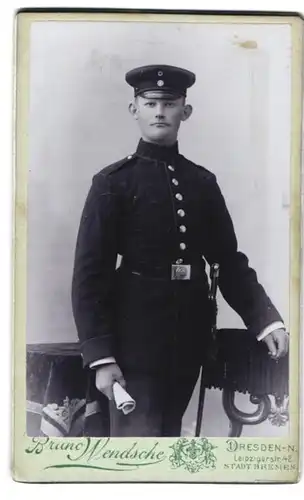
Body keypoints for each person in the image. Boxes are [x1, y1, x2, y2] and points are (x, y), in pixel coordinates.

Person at [72, 64, 289, 437]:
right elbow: (90, 276)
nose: (160, 112)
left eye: (169, 104)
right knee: (136, 445)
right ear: (134, 109)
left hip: (188, 336)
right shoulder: (112, 182)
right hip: (132, 340)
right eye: (150, 103)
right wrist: (101, 356)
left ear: (184, 112)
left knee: (171, 436)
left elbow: (228, 260)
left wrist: (265, 318)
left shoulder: (201, 182)